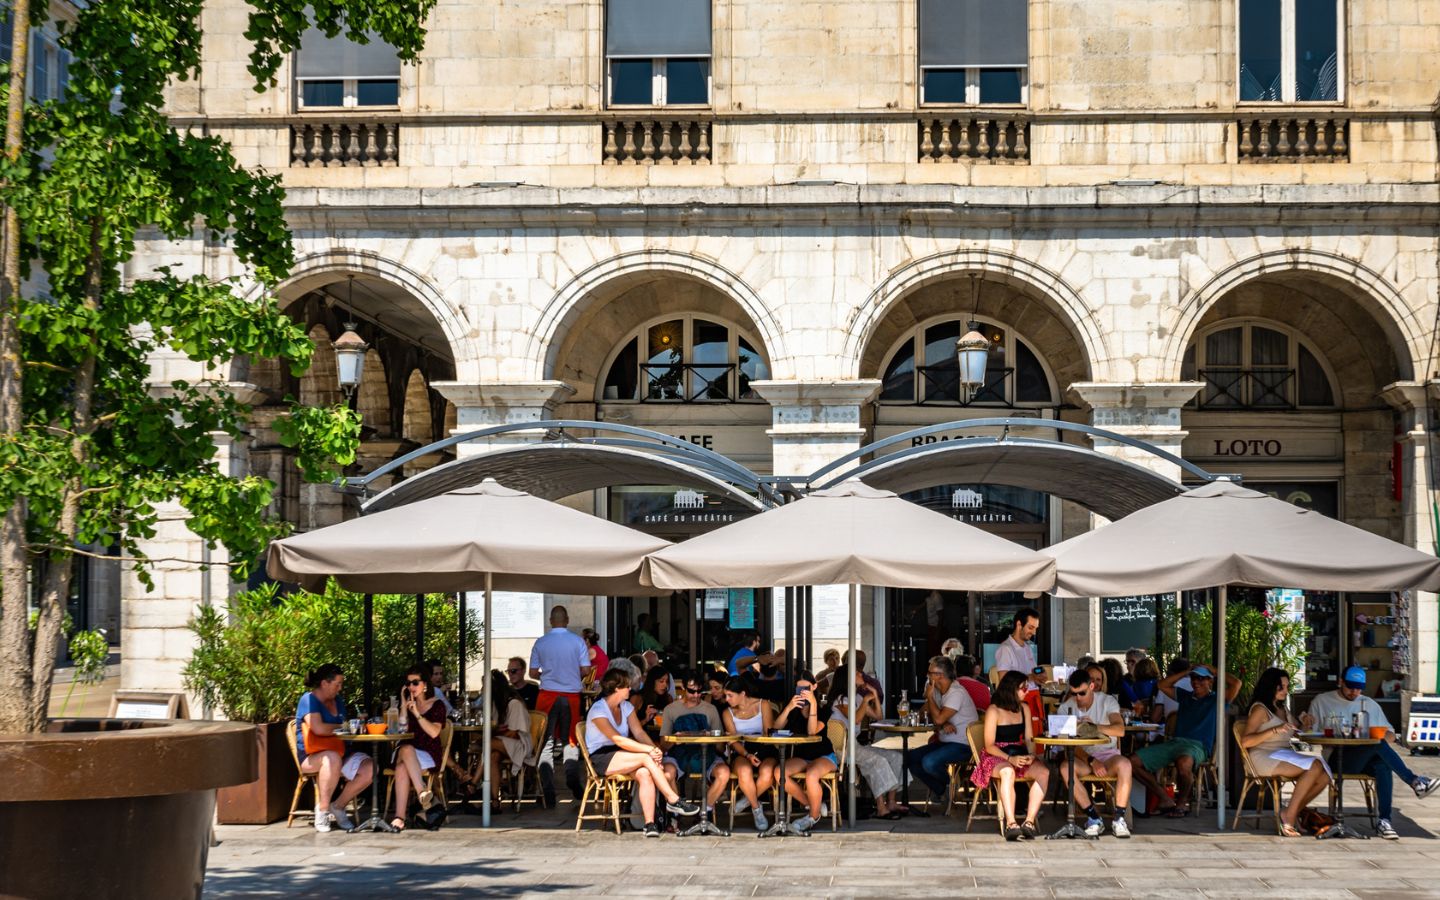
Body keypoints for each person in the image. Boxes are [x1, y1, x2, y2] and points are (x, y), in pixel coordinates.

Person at [1308, 666, 1438, 839]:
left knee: (1382, 763)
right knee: (1376, 745)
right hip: (1337, 758)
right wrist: (1306, 723)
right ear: (1340, 682)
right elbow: (1309, 733)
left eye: (1358, 688)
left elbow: (1391, 735)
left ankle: (1385, 820)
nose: (1354, 692)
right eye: (1350, 687)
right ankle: (1414, 781)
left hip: (1365, 759)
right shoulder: (1322, 701)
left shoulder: (1369, 704)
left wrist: (1377, 733)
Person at [584, 668, 701, 838]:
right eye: (627, 687)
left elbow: (639, 733)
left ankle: (649, 824)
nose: (630, 689)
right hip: (602, 755)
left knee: (645, 773)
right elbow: (618, 739)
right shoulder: (598, 709)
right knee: (646, 758)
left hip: (623, 754)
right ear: (617, 688)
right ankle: (673, 799)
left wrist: (654, 750)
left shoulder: (626, 706)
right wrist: (650, 750)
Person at [1130, 664, 1240, 817]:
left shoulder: (1216, 699)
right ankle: (1164, 798)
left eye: (1201, 678)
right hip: (1175, 743)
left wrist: (1214, 670)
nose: (1196, 681)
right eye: (1194, 678)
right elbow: (1161, 685)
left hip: (1198, 746)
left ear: (1210, 681)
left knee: (1184, 763)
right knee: (1131, 763)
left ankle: (1181, 804)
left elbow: (1237, 684)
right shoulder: (1185, 696)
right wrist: (1186, 672)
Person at [1239, 667, 1332, 837]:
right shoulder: (1260, 709)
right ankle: (1289, 816)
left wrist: (1306, 724)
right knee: (1315, 766)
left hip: (1283, 753)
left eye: (1287, 687)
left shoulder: (1282, 708)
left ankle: (1292, 811)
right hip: (1263, 755)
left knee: (1325, 774)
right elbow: (1246, 741)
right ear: (1270, 686)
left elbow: (1295, 732)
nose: (1285, 691)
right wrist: (1274, 730)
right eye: (1281, 687)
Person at [294, 664, 374, 833]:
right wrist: (341, 727)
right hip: (311, 757)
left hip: (341, 751)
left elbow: (343, 725)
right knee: (331, 758)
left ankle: (338, 806)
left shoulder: (338, 701)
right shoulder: (308, 700)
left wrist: (356, 724)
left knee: (370, 768)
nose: (340, 688)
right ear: (324, 683)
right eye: (337, 684)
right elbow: (318, 728)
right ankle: (322, 811)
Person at [972, 670, 1051, 840]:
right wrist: (1010, 759)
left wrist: (1031, 754)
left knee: (1043, 772)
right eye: (1023, 688)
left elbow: (1029, 739)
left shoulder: (1024, 708)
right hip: (997, 755)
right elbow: (989, 745)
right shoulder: (994, 710)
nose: (1027, 691)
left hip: (1019, 752)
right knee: (1008, 772)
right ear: (1012, 689)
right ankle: (1011, 823)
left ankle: (1029, 821)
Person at [1056, 669, 1132, 838]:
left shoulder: (1107, 701)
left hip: (1107, 753)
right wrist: (1091, 760)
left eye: (1082, 693)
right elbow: (1065, 744)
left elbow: (1120, 730)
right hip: (1083, 756)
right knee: (1065, 768)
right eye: (1074, 693)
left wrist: (1094, 727)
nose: (1078, 698)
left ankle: (1119, 819)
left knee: (1125, 764)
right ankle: (1093, 817)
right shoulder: (1065, 708)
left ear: (1091, 686)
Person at [529, 605, 593, 806]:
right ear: (566, 619)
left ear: (550, 620)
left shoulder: (541, 642)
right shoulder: (577, 641)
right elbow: (585, 670)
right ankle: (572, 779)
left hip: (547, 695)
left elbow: (532, 673)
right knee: (571, 740)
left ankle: (548, 789)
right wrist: (571, 674)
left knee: (546, 743)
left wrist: (548, 675)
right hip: (572, 695)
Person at [828, 664, 906, 818]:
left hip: (855, 746)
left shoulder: (857, 697)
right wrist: (865, 701)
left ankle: (891, 801)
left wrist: (875, 695)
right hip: (841, 748)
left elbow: (878, 716)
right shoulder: (840, 699)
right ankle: (880, 807)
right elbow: (856, 719)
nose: (861, 675)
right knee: (878, 761)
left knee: (897, 757)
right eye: (857, 673)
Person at [904, 655, 978, 807]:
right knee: (909, 758)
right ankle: (942, 788)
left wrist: (931, 700)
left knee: (929, 762)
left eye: (930, 673)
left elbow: (937, 718)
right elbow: (925, 713)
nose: (927, 676)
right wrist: (941, 724)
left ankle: (947, 786)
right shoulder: (938, 690)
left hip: (964, 745)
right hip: (946, 742)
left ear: (940, 676)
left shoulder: (956, 692)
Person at [659, 671, 728, 814]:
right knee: (667, 773)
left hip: (706, 756)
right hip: (677, 757)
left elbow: (721, 747)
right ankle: (675, 813)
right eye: (691, 691)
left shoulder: (711, 710)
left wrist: (716, 738)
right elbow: (663, 744)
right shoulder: (671, 709)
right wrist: (676, 739)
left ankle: (705, 811)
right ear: (683, 687)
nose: (696, 695)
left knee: (724, 772)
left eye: (699, 691)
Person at [778, 670, 837, 833]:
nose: (803, 692)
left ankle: (812, 816)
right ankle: (813, 805)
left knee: (812, 774)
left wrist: (813, 705)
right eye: (799, 688)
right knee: (779, 773)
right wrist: (789, 708)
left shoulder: (824, 709)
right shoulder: (794, 708)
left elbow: (812, 731)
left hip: (823, 755)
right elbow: (775, 728)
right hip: (802, 755)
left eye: (806, 688)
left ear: (815, 687)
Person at [391, 666, 449, 831]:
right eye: (408, 683)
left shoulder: (437, 705)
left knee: (402, 764)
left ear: (425, 685)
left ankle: (399, 818)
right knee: (406, 749)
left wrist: (417, 713)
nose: (411, 687)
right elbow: (401, 730)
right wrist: (403, 706)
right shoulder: (408, 705)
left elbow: (434, 732)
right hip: (408, 750)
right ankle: (422, 791)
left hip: (428, 753)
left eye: (415, 682)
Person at [722, 675, 779, 832]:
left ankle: (746, 800)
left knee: (767, 772)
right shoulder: (727, 713)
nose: (727, 699)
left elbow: (768, 733)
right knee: (744, 770)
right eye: (725, 695)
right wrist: (747, 754)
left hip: (764, 746)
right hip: (742, 749)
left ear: (743, 693)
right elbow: (732, 740)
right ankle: (756, 808)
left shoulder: (763, 704)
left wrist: (757, 749)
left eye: (730, 695)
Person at [994, 607, 1040, 679]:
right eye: (1030, 628)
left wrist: (1040, 677)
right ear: (1019, 625)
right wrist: (1032, 677)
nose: (1034, 633)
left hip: (1034, 690)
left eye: (1036, 629)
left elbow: (1033, 673)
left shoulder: (1028, 648)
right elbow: (1004, 681)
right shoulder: (1005, 649)